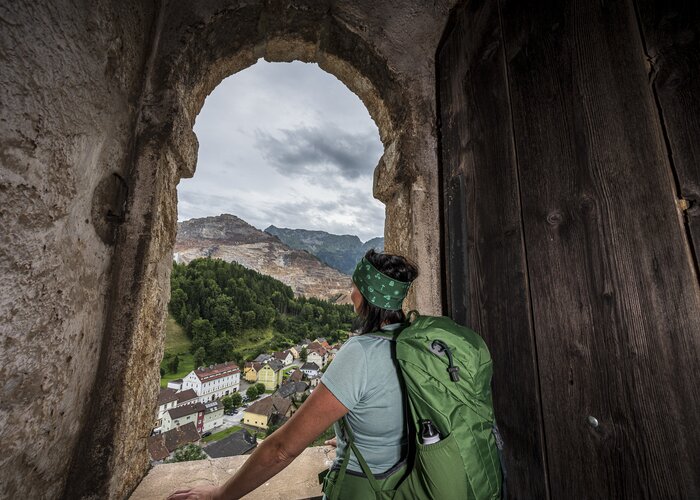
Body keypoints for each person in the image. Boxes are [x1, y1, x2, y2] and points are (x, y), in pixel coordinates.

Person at [167, 249, 418, 500]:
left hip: (366, 488)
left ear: (365, 295)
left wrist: (219, 495)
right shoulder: (415, 341)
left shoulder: (360, 352)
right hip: (407, 482)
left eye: (354, 285)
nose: (351, 293)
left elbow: (282, 449)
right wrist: (354, 438)